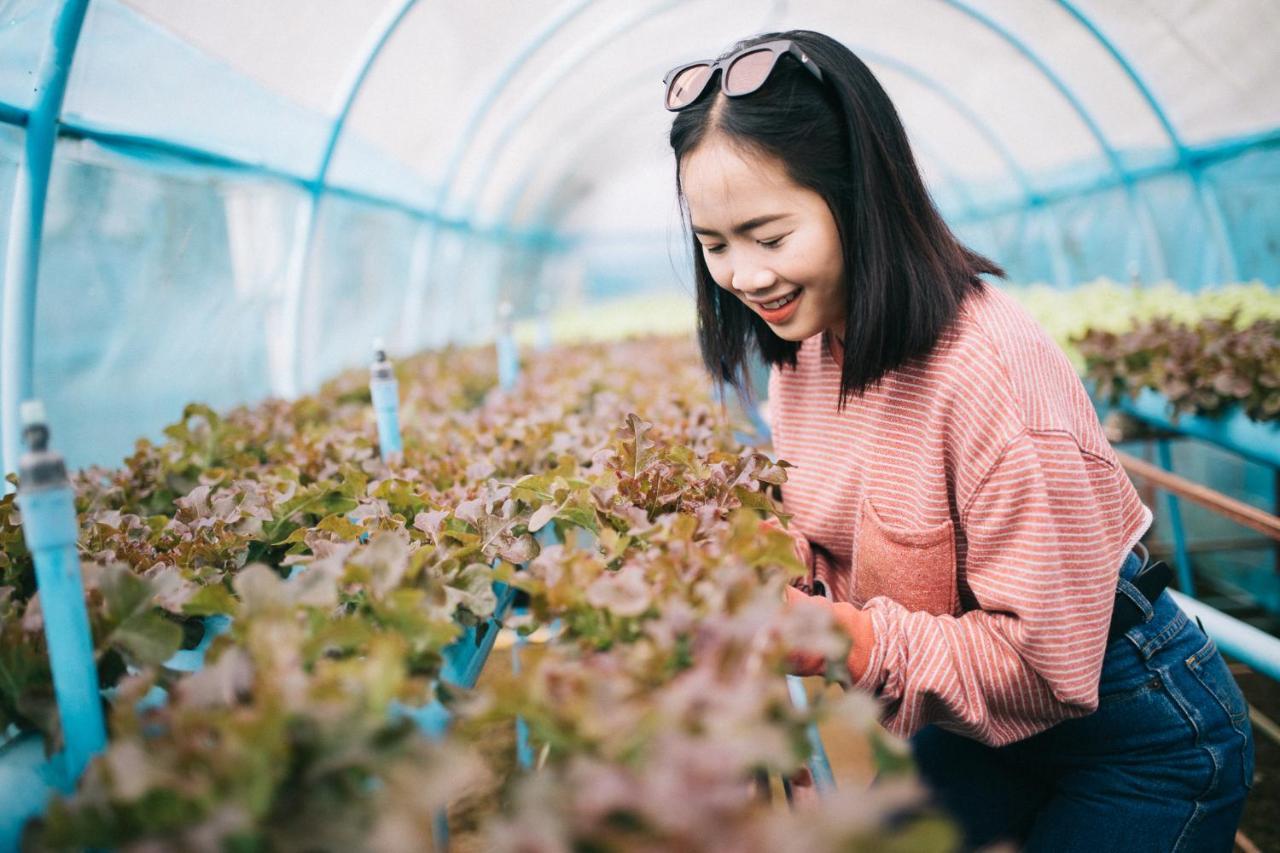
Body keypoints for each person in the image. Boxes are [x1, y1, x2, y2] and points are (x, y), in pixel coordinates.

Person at [664, 29, 1255, 851]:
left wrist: (848, 638)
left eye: (769, 235)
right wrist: (773, 560)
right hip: (986, 725)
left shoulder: (989, 371)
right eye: (715, 243)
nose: (746, 275)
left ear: (859, 196)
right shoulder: (803, 346)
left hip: (1137, 726)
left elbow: (1050, 664)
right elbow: (832, 522)